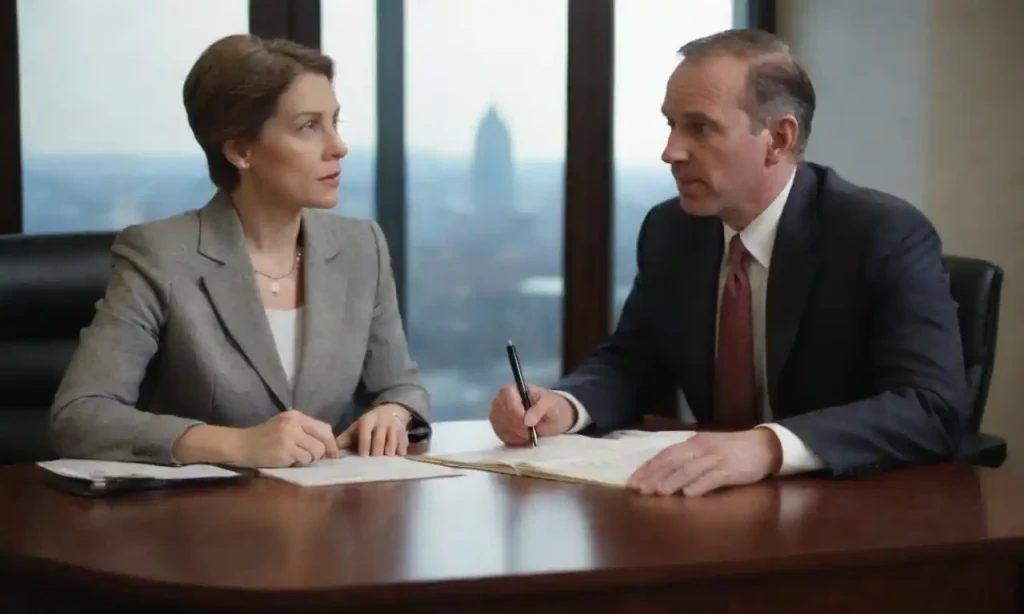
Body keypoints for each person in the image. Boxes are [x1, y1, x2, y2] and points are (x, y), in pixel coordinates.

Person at [489, 29, 967, 496]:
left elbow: (931, 406)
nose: (670, 151)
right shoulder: (672, 230)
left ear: (778, 138)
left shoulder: (879, 233)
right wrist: (566, 407)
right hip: (717, 509)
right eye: (670, 124)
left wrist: (766, 447)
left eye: (700, 128)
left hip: (858, 515)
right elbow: (633, 361)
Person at [49, 34, 429, 468]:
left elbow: (402, 385)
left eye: (335, 122)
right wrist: (237, 445)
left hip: (331, 517)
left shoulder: (362, 247)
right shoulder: (160, 256)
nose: (338, 147)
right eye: (309, 126)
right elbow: (79, 416)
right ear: (240, 150)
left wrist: (393, 412)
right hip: (200, 522)